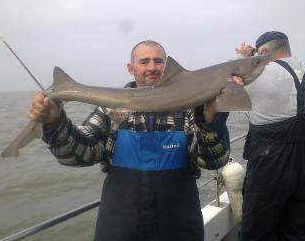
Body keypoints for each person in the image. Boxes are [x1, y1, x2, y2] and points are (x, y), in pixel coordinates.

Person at [28, 40, 233, 241]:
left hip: (179, 223)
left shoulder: (190, 110)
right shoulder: (112, 110)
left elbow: (213, 161)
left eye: (159, 61)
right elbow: (78, 154)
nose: (152, 67)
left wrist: (209, 119)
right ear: (130, 67)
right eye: (144, 62)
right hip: (120, 226)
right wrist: (54, 122)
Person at [235, 31, 305, 241]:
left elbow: (233, 78)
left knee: (257, 229)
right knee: (298, 228)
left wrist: (245, 58)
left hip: (269, 161)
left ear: (263, 51)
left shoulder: (259, 73)